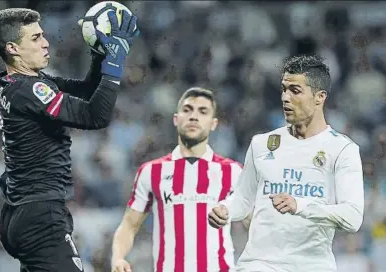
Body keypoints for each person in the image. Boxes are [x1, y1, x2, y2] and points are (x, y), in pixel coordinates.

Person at [0, 7, 139, 271]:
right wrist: (115, 63)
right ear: (13, 48)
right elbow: (95, 116)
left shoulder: (20, 83)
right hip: (40, 217)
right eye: (35, 38)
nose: (46, 42)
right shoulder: (30, 89)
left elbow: (84, 91)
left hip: (21, 211)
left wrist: (99, 55)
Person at [208, 55, 365, 272]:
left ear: (319, 97)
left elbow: (353, 218)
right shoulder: (261, 144)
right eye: (283, 89)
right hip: (258, 264)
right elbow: (244, 199)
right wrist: (225, 209)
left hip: (312, 265)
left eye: (295, 91)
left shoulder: (342, 150)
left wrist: (299, 206)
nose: (285, 97)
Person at [111, 87, 245, 272]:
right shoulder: (151, 171)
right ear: (176, 119)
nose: (194, 117)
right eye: (187, 110)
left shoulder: (233, 171)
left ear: (214, 123)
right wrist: (118, 258)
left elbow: (255, 223)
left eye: (203, 111)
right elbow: (129, 225)